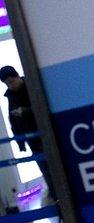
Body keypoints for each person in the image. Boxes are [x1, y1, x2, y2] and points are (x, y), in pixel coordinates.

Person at [1, 66, 54, 200]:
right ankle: (55, 192)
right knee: (44, 167)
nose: (10, 85)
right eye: (7, 84)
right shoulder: (10, 96)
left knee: (53, 163)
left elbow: (42, 106)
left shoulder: (32, 86)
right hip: (31, 138)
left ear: (17, 76)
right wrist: (20, 142)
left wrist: (24, 111)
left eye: (11, 82)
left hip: (45, 133)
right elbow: (12, 119)